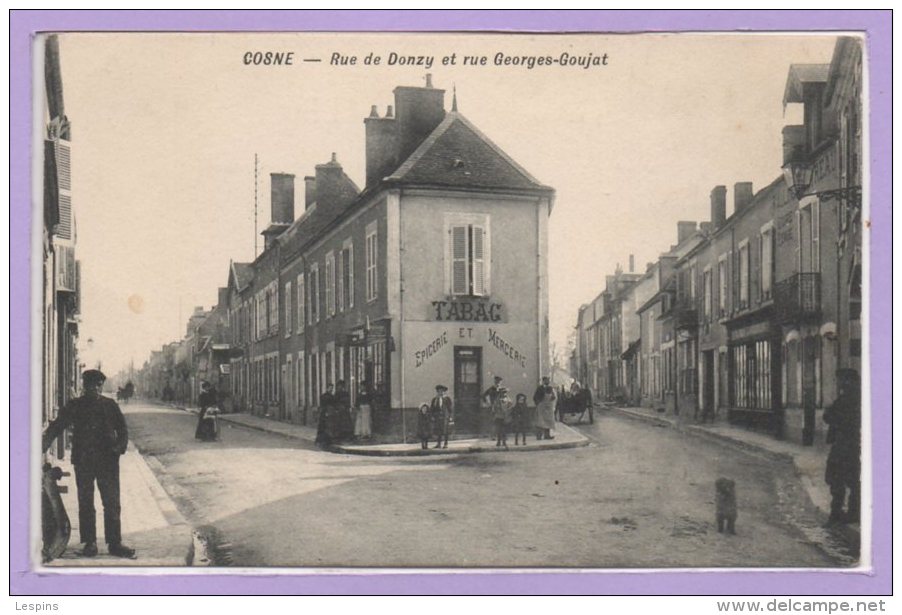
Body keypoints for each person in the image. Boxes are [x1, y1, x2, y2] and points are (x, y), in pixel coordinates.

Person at [41, 369, 136, 558]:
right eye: (90, 385)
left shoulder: (110, 406)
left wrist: (117, 449)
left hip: (107, 461)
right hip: (84, 461)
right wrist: (42, 445)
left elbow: (123, 431)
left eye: (98, 385)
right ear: (85, 387)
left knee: (111, 502)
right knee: (85, 502)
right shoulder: (75, 405)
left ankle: (114, 543)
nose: (94, 389)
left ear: (101, 386)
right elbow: (58, 425)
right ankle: (89, 543)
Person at [823, 369, 861, 526]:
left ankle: (837, 514)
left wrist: (830, 411)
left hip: (845, 445)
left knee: (838, 479)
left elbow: (829, 416)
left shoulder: (847, 399)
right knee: (852, 481)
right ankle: (850, 513)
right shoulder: (851, 397)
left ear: (847, 381)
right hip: (849, 445)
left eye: (839, 380)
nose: (837, 383)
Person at [430, 384, 454, 449]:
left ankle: (446, 444)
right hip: (437, 417)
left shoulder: (447, 399)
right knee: (438, 430)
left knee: (445, 430)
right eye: (439, 391)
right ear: (437, 392)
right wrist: (432, 416)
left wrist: (451, 417)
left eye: (442, 391)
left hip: (445, 417)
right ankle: (439, 444)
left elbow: (450, 408)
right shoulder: (435, 400)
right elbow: (432, 408)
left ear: (444, 392)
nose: (441, 392)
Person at [533, 376, 556, 440]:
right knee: (540, 422)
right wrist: (538, 404)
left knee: (548, 421)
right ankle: (539, 436)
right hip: (541, 407)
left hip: (548, 408)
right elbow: (535, 397)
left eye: (548, 380)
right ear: (543, 381)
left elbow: (553, 397)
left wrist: (552, 399)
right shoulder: (540, 388)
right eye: (546, 380)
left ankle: (547, 435)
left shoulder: (550, 388)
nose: (548, 381)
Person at [315, 383, 336, 447]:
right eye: (330, 388)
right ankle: (321, 440)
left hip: (330, 413)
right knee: (323, 427)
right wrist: (325, 412)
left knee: (329, 427)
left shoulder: (332, 396)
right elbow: (323, 405)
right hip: (324, 413)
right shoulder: (324, 396)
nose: (331, 389)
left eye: (332, 388)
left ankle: (328, 440)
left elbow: (333, 404)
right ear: (327, 388)